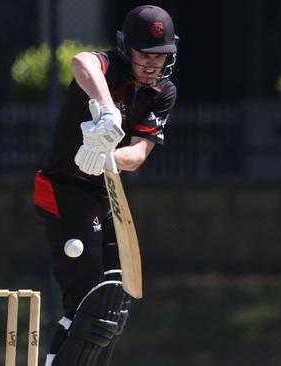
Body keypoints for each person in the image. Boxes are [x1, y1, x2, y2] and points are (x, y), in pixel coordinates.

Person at [32, 4, 178, 366]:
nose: (152, 64)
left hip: (103, 192)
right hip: (62, 188)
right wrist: (106, 109)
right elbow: (80, 61)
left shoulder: (163, 91)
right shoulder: (107, 67)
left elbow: (139, 153)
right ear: (125, 47)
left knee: (113, 301)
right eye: (144, 54)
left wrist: (108, 158)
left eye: (160, 57)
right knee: (87, 297)